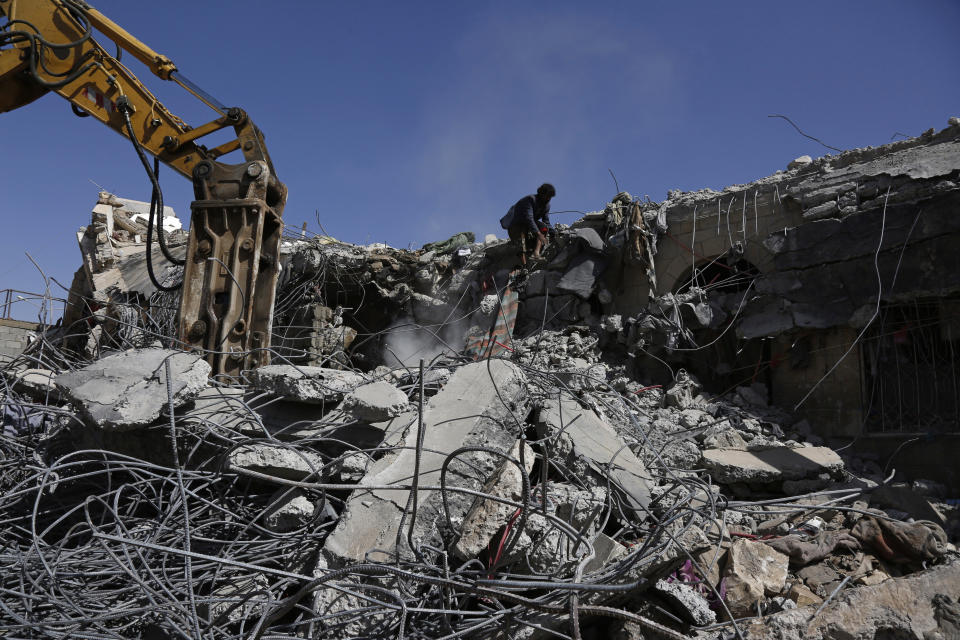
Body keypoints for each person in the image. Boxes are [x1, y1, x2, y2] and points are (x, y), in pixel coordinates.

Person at [499, 183, 555, 265]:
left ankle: (536, 253)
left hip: (528, 227)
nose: (548, 198)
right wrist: (538, 233)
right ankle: (524, 265)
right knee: (521, 240)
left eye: (550, 197)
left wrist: (552, 231)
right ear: (541, 193)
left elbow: (546, 221)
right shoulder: (530, 200)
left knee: (544, 227)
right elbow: (529, 218)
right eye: (547, 196)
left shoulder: (546, 206)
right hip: (516, 225)